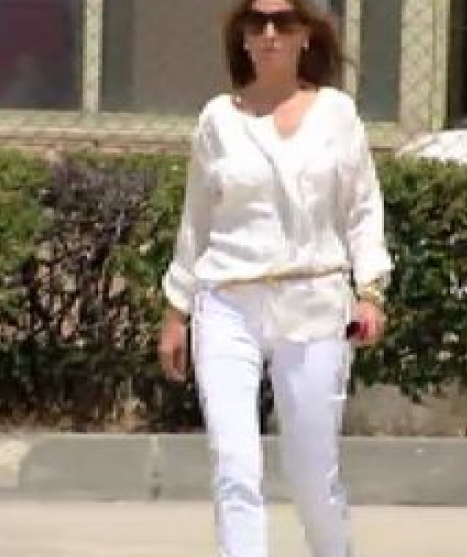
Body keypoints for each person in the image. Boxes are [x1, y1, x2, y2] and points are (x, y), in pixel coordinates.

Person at [157, 1, 392, 556]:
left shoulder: (337, 114)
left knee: (313, 476)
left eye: (282, 23)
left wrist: (370, 291)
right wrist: (176, 309)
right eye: (256, 23)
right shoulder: (219, 119)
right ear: (241, 38)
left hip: (314, 300)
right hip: (228, 301)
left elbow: (362, 209)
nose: (269, 34)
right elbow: (197, 220)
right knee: (234, 466)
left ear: (304, 35)